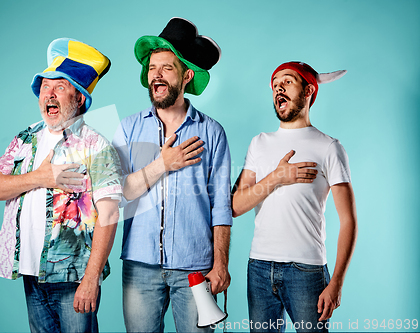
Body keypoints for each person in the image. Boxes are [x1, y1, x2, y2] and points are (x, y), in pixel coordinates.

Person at [0, 38, 122, 333]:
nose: (50, 93)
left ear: (79, 98)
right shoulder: (26, 138)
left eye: (61, 87)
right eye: (46, 86)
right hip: (31, 272)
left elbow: (109, 215)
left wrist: (91, 278)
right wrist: (40, 177)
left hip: (73, 278)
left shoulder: (96, 145)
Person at [112, 17, 232, 332]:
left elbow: (221, 204)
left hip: (196, 266)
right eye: (152, 69)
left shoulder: (212, 132)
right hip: (140, 265)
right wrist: (162, 164)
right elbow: (120, 191)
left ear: (186, 75)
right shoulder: (128, 128)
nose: (157, 76)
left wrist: (220, 263)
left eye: (166, 68)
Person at [231, 62, 358, 332]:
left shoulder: (329, 147)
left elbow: (348, 220)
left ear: (309, 90)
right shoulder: (259, 143)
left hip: (307, 271)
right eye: (275, 83)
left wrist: (336, 282)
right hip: (259, 268)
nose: (278, 87)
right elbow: (235, 205)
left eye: (287, 81)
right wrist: (277, 177)